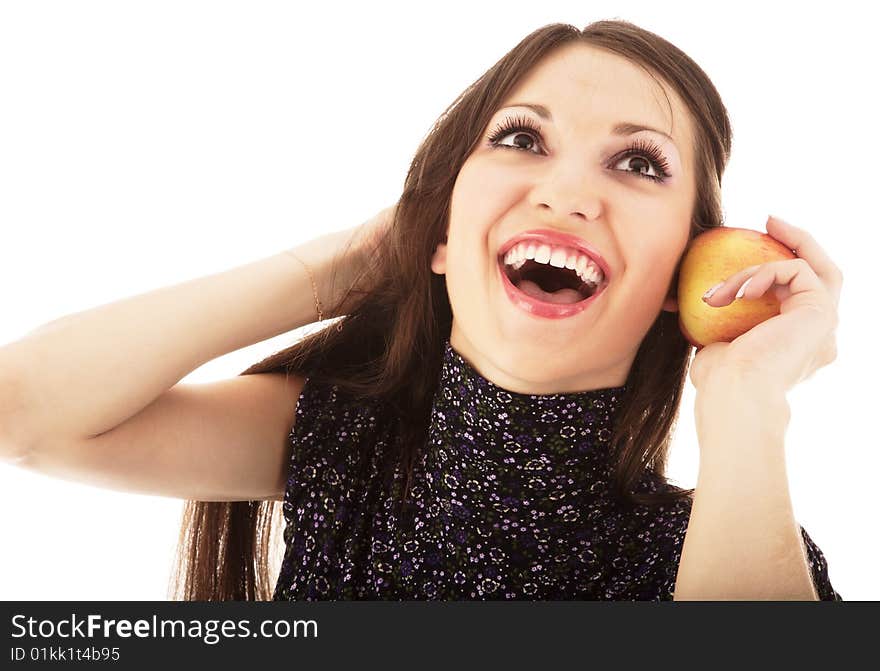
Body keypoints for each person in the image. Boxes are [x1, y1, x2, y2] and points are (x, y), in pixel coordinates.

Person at [0, 20, 843, 601]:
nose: (566, 191)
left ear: (682, 274)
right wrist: (358, 263)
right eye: (521, 140)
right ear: (443, 222)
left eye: (637, 162)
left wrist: (745, 403)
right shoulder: (342, 447)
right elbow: (25, 415)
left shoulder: (726, 546)